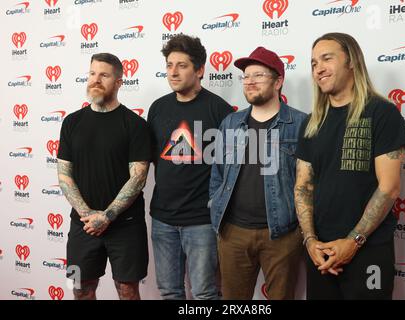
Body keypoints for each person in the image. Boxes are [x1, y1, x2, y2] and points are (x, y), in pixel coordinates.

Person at [294, 32, 405, 300]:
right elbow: (303, 186)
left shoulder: (381, 113)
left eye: (327, 59)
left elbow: (389, 187)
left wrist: (353, 242)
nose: (319, 68)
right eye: (313, 63)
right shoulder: (312, 123)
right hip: (321, 252)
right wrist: (310, 241)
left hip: (368, 249)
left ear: (352, 62)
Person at [209, 47, 307, 300]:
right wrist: (215, 205)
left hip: (282, 234)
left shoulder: (300, 124)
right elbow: (217, 174)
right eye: (246, 76)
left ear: (279, 81)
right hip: (232, 232)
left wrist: (300, 229)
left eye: (259, 75)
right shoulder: (231, 123)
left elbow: (309, 181)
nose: (250, 81)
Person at [57, 53, 151, 300]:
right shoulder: (71, 122)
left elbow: (138, 177)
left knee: (128, 290)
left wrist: (107, 216)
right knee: (78, 286)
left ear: (119, 81)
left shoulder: (135, 125)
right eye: (92, 73)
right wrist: (89, 216)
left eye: (104, 75)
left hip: (126, 226)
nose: (95, 80)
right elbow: (64, 176)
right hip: (82, 225)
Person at [147, 34, 234, 300]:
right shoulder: (158, 108)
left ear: (199, 70)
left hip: (202, 221)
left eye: (181, 65)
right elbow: (152, 161)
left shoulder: (219, 110)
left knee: (205, 293)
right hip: (162, 219)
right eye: (169, 64)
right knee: (170, 291)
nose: (173, 72)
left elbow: (229, 169)